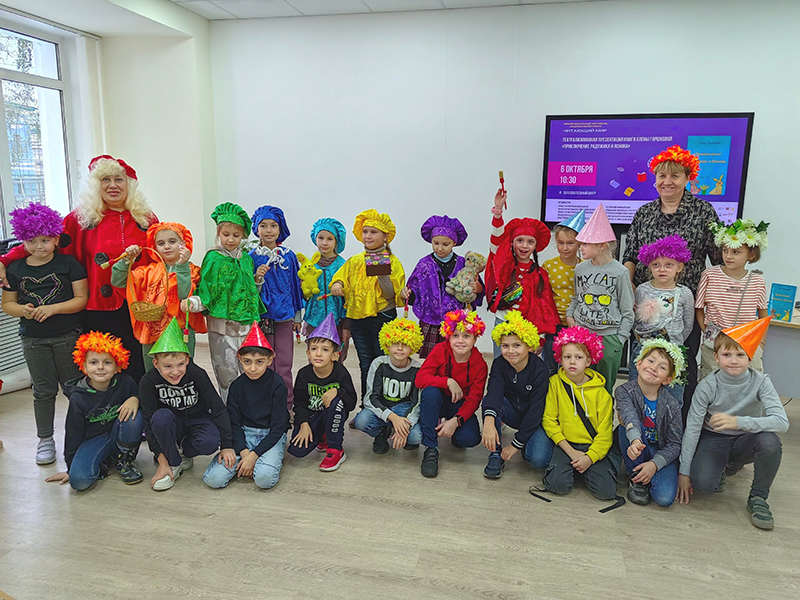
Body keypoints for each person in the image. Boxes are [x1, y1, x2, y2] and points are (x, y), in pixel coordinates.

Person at [0, 155, 158, 381]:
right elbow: (41, 243)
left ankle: (138, 400)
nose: (112, 185)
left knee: (138, 361)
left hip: (139, 304)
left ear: (129, 184)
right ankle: (104, 402)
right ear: (96, 185)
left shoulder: (145, 219)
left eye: (118, 179)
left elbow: (163, 252)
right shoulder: (80, 219)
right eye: (105, 179)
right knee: (102, 363)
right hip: (97, 306)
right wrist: (5, 260)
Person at [622, 145, 722, 408]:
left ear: (688, 178)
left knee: (682, 366)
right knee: (645, 364)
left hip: (685, 305)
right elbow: (630, 254)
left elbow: (718, 259)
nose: (667, 182)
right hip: (647, 303)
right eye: (662, 176)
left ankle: (680, 422)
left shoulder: (703, 212)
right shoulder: (644, 213)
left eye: (675, 176)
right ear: (655, 179)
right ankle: (640, 419)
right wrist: (629, 285)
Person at [677, 317, 788, 530]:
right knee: (703, 485)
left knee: (770, 442)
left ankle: (758, 498)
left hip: (746, 436)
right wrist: (684, 472)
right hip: (714, 437)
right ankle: (722, 466)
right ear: (716, 357)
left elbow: (782, 423)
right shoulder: (707, 385)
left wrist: (738, 422)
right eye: (727, 355)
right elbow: (692, 428)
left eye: (740, 354)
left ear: (750, 356)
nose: (734, 360)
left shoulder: (761, 382)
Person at [1, 203, 88, 465]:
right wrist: (24, 311)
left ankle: (83, 434)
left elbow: (81, 299)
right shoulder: (15, 270)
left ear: (56, 239)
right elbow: (8, 304)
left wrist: (53, 309)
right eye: (31, 241)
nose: (39, 246)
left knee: (74, 388)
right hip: (33, 340)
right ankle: (45, 439)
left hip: (67, 336)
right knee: (42, 391)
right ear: (23, 241)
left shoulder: (69, 264)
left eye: (45, 240)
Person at [139, 318, 233, 491]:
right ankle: (172, 462)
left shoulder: (197, 374)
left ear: (187, 360)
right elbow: (148, 422)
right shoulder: (148, 381)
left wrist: (227, 445)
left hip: (197, 419)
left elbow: (218, 408)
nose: (175, 372)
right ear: (156, 364)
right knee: (160, 417)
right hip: (169, 422)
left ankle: (183, 452)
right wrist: (162, 460)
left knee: (211, 441)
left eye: (181, 364)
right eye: (168, 366)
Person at [183, 203, 264, 401]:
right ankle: (228, 408)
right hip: (221, 327)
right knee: (226, 369)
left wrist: (257, 282)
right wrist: (195, 302)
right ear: (219, 233)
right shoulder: (213, 258)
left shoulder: (246, 259)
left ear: (243, 235)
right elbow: (207, 288)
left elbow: (249, 291)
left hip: (246, 325)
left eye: (236, 235)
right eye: (226, 234)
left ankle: (249, 407)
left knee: (249, 367)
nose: (230, 239)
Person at [45, 332, 143, 490]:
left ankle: (124, 461)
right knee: (79, 482)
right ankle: (106, 460)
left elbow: (145, 398)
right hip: (93, 440)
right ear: (84, 366)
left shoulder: (126, 382)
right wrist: (71, 468)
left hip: (120, 432)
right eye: (93, 362)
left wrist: (136, 398)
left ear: (117, 366)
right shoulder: (78, 398)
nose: (100, 367)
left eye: (107, 362)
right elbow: (73, 434)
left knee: (134, 416)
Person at [203, 323, 289, 490]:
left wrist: (253, 455)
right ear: (240, 359)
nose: (253, 368)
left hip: (270, 434)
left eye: (259, 362)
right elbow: (234, 423)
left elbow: (279, 427)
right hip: (244, 433)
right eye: (247, 362)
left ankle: (263, 460)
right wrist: (244, 453)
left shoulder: (278, 385)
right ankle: (248, 463)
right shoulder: (236, 386)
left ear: (270, 360)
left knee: (264, 480)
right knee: (214, 480)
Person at [330, 210, 404, 400]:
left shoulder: (392, 262)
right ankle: (367, 403)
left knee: (383, 362)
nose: (368, 236)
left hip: (382, 318)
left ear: (385, 236)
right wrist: (337, 284)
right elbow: (340, 278)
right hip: (358, 320)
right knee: (365, 363)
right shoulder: (354, 261)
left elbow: (391, 295)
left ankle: (383, 404)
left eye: (373, 232)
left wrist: (383, 276)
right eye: (365, 231)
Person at [111, 221, 206, 369]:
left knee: (181, 370)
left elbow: (183, 295)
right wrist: (126, 261)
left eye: (172, 241)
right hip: (152, 331)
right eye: (161, 243)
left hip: (180, 330)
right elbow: (118, 281)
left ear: (184, 244)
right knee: (153, 372)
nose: (167, 246)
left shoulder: (193, 271)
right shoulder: (148, 271)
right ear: (154, 247)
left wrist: (182, 266)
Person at [541, 326, 617, 501]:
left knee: (606, 492)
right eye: (567, 357)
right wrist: (571, 452)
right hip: (566, 444)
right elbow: (549, 420)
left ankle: (583, 468)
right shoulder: (554, 384)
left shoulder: (602, 394)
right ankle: (573, 468)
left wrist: (590, 458)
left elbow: (605, 433)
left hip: (592, 445)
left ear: (588, 361)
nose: (572, 362)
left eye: (579, 357)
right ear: (560, 359)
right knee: (557, 486)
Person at [566, 203, 634, 394]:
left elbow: (627, 309)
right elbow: (577, 297)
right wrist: (570, 317)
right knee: (580, 383)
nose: (580, 248)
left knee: (604, 387)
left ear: (602, 245)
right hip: (582, 335)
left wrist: (619, 339)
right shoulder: (580, 268)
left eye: (585, 244)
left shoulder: (620, 272)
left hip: (609, 339)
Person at [485, 189, 559, 355]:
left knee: (526, 366)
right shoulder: (505, 266)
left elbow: (544, 307)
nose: (524, 246)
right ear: (512, 243)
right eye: (520, 240)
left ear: (535, 246)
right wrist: (498, 211)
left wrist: (540, 337)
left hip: (529, 328)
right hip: (503, 323)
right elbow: (496, 242)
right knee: (501, 364)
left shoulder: (540, 274)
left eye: (530, 242)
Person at [416, 310, 488, 478]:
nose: (460, 341)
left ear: (475, 338)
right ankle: (431, 448)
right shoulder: (440, 350)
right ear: (448, 336)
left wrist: (456, 421)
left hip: (458, 405)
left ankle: (452, 432)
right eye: (455, 335)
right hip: (437, 400)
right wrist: (447, 381)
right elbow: (420, 379)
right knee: (430, 392)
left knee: (470, 439)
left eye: (466, 336)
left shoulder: (480, 365)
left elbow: (474, 400)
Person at [481, 311, 552, 479]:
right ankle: (495, 454)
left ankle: (525, 442)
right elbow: (493, 394)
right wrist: (489, 421)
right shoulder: (499, 364)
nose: (510, 351)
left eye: (517, 345)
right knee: (489, 403)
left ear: (529, 346)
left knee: (538, 460)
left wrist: (515, 445)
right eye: (505, 346)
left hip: (535, 419)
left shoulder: (540, 370)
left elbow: (536, 411)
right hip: (512, 412)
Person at [615, 339, 686, 507]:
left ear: (667, 379)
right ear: (639, 364)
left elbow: (675, 443)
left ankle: (649, 471)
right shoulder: (624, 391)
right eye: (651, 361)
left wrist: (655, 464)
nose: (654, 368)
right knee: (626, 426)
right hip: (636, 441)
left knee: (664, 498)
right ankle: (636, 477)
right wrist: (635, 440)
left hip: (659, 450)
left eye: (662, 367)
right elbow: (629, 416)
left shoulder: (672, 404)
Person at [696, 218, 769, 379]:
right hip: (714, 345)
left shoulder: (757, 281)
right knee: (711, 383)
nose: (728, 256)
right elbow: (699, 309)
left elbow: (763, 317)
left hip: (746, 346)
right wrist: (708, 333)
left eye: (736, 252)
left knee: (747, 385)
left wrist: (760, 345)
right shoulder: (709, 275)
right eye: (725, 250)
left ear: (751, 254)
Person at [403, 215, 482, 358]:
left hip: (456, 321)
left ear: (454, 243)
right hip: (430, 321)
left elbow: (479, 290)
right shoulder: (424, 264)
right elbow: (414, 290)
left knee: (455, 356)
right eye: (435, 243)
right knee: (432, 358)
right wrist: (407, 294)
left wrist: (477, 288)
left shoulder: (464, 264)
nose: (439, 248)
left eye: (445, 244)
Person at [250, 205, 304, 410]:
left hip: (284, 317)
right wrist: (257, 278)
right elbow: (249, 291)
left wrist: (297, 316)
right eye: (263, 225)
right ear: (256, 228)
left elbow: (295, 287)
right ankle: (265, 405)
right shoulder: (251, 256)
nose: (269, 230)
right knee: (264, 361)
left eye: (273, 225)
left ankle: (286, 404)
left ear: (281, 228)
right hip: (262, 317)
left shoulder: (289, 256)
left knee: (284, 361)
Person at [288, 313, 358, 471]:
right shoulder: (304, 374)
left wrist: (338, 391)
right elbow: (299, 403)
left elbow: (351, 403)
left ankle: (335, 448)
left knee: (336, 403)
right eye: (314, 349)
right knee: (297, 450)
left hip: (333, 414)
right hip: (313, 416)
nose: (318, 354)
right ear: (308, 353)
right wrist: (304, 424)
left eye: (325, 350)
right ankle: (322, 436)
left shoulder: (340, 373)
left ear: (335, 355)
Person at [630, 235, 694, 397]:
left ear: (679, 267)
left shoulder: (685, 293)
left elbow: (688, 324)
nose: (662, 269)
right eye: (656, 265)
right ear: (649, 267)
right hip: (644, 349)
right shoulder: (642, 290)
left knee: (673, 394)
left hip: (673, 351)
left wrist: (675, 342)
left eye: (668, 265)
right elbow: (636, 321)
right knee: (637, 392)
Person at [354, 318, 423, 454]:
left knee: (416, 437)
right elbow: (370, 398)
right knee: (361, 421)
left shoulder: (417, 369)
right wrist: (392, 417)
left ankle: (403, 435)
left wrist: (405, 426)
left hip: (404, 411)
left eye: (405, 344)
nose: (400, 348)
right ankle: (382, 432)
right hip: (382, 407)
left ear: (413, 345)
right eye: (395, 343)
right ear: (387, 344)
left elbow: (417, 403)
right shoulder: (378, 364)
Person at [302, 218, 350, 363]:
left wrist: (347, 326)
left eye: (330, 239)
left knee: (336, 355)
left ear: (337, 241)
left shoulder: (343, 265)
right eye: (320, 238)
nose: (324, 243)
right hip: (314, 320)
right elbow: (304, 295)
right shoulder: (310, 266)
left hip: (337, 321)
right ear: (315, 238)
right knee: (315, 355)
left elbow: (350, 298)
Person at [541, 210, 584, 375]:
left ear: (579, 243)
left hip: (577, 324)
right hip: (552, 324)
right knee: (549, 366)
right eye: (560, 243)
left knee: (572, 366)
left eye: (570, 243)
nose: (565, 248)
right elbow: (542, 297)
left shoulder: (585, 267)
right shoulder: (548, 266)